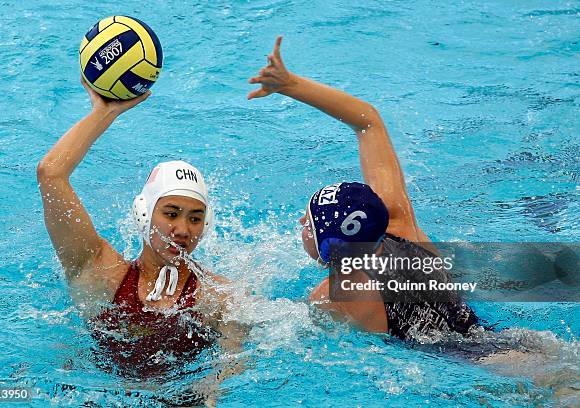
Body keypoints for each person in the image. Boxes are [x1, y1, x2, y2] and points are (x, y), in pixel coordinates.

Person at [247, 37, 483, 340]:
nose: (301, 223)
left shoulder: (334, 299)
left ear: (328, 246)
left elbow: (268, 328)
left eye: (308, 223)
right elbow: (368, 121)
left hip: (459, 365)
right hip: (487, 339)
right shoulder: (401, 227)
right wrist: (290, 84)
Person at [37, 79, 243, 382]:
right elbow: (50, 173)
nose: (183, 230)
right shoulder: (100, 272)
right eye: (171, 214)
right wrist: (103, 113)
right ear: (144, 213)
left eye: (195, 218)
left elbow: (229, 370)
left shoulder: (219, 297)